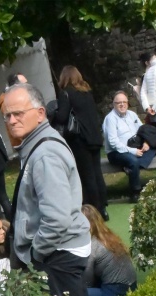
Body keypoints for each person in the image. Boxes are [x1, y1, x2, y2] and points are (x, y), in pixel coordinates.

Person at [3, 83, 98, 296]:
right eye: (8, 115)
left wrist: (36, 252)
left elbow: (56, 218)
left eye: (18, 113)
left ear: (40, 113)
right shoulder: (37, 144)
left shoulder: (44, 153)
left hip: (59, 251)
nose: (12, 120)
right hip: (60, 249)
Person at [53, 66, 108, 218]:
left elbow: (62, 117)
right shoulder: (87, 92)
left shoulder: (66, 93)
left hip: (79, 139)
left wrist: (54, 113)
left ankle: (94, 210)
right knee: (97, 173)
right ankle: (103, 207)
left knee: (87, 175)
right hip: (95, 137)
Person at [81, 205, 137, 296]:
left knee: (73, 294)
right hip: (132, 287)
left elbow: (86, 281)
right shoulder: (109, 237)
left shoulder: (92, 245)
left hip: (114, 294)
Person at [102, 91, 154, 203]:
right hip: (116, 152)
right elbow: (113, 143)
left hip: (136, 146)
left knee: (155, 147)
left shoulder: (132, 115)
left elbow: (142, 130)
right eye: (119, 102)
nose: (122, 104)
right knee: (132, 160)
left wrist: (146, 142)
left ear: (128, 103)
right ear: (114, 104)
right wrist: (132, 151)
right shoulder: (110, 119)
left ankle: (130, 167)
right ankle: (135, 192)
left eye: (124, 102)